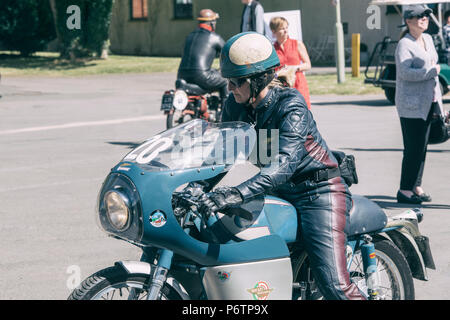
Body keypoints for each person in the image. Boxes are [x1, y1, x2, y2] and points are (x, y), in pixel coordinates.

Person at [198, 32, 366, 300]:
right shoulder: (236, 106)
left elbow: (283, 165)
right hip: (280, 190)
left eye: (236, 81)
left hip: (319, 192)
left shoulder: (291, 105)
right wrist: (192, 188)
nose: (230, 88)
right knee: (215, 238)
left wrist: (237, 192)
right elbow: (221, 156)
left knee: (335, 287)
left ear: (259, 79)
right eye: (227, 81)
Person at [395, 5, 443, 204]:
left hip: (430, 100)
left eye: (426, 16)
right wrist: (432, 72)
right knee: (413, 148)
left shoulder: (429, 39)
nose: (425, 19)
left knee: (422, 147)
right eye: (419, 16)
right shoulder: (404, 44)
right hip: (411, 104)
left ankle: (417, 185)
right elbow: (405, 73)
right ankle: (405, 190)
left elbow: (432, 63)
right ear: (408, 21)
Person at [177, 9, 228, 101]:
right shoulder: (214, 38)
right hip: (202, 76)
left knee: (213, 72)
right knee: (225, 80)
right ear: (212, 23)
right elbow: (228, 52)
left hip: (181, 75)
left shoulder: (189, 36)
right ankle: (226, 113)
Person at [270, 16, 312, 109]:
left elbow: (308, 65)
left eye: (286, 28)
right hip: (281, 86)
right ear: (274, 31)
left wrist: (294, 68)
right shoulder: (272, 49)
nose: (285, 31)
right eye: (281, 28)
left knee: (303, 111)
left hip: (298, 83)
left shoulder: (297, 44)